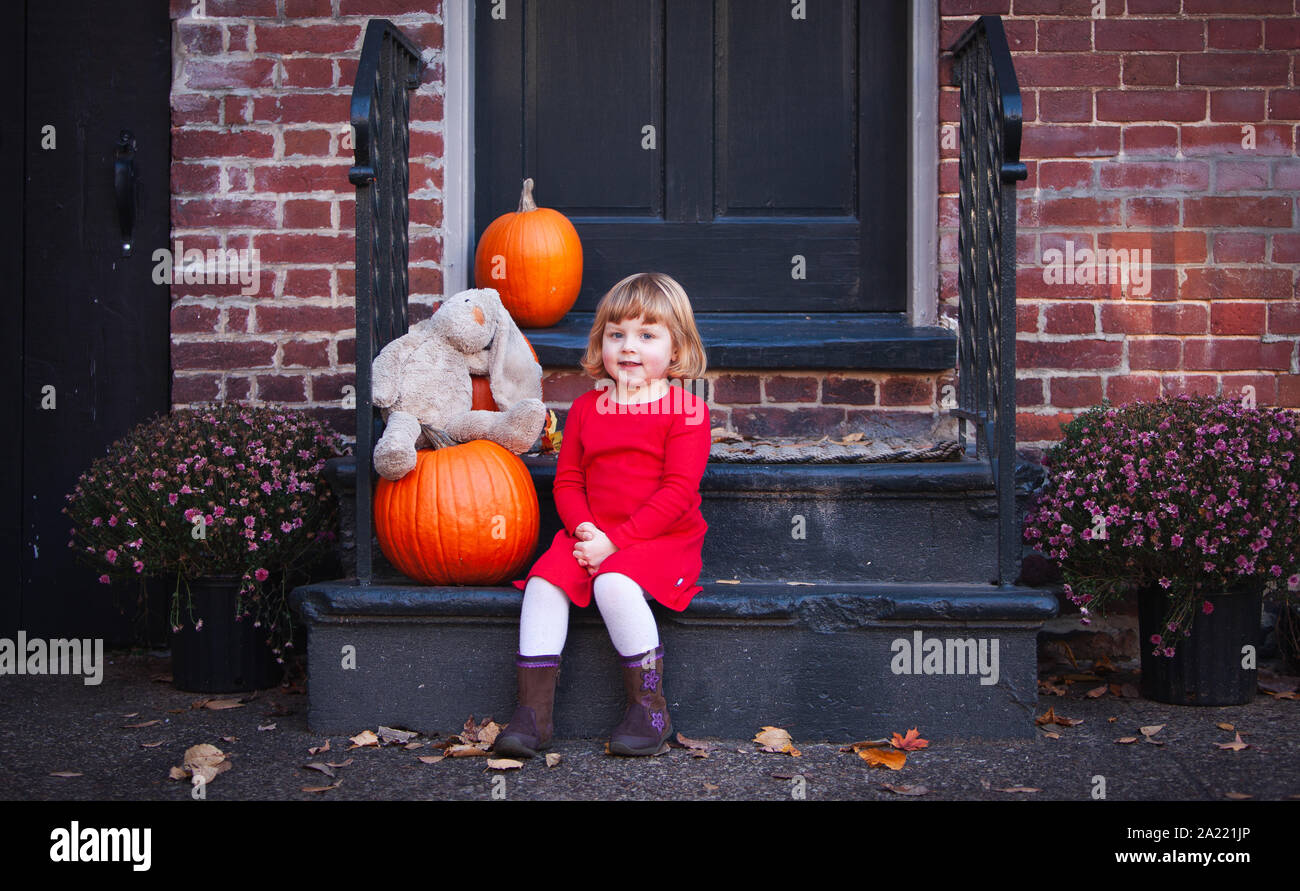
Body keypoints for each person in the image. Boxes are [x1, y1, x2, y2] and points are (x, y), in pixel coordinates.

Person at [494, 272, 710, 758]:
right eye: (617, 334)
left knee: (613, 583)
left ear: (676, 349)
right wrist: (585, 529)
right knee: (545, 582)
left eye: (647, 335)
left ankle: (649, 709)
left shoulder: (687, 412)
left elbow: (678, 493)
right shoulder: (588, 408)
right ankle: (532, 715)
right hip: (591, 533)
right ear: (601, 342)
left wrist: (616, 543)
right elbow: (568, 479)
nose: (629, 347)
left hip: (660, 538)